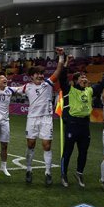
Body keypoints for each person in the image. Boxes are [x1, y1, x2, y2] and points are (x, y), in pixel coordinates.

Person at [59, 57, 104, 187]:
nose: (85, 79)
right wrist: (65, 62)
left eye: (85, 77)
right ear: (75, 81)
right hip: (72, 124)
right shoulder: (70, 90)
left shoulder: (90, 90)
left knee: (83, 151)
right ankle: (64, 174)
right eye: (81, 77)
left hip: (84, 125)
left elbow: (102, 83)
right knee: (68, 151)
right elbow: (62, 77)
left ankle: (79, 173)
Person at [22, 47, 65, 185]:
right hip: (32, 119)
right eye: (38, 74)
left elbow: (58, 72)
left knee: (47, 145)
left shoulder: (48, 84)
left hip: (46, 119)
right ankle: (29, 170)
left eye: (42, 74)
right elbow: (10, 90)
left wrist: (61, 57)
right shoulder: (26, 87)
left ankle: (48, 172)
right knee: (31, 144)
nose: (41, 76)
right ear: (32, 76)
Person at [0, 71, 24, 176]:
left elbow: (23, 88)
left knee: (4, 145)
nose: (4, 79)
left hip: (5, 121)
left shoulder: (10, 90)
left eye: (5, 77)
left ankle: (4, 167)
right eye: (2, 78)